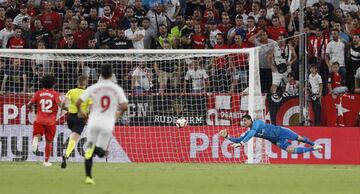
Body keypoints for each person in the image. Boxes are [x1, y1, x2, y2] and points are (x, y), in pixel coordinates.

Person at [76, 64, 128, 184]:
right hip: (107, 123)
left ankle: (88, 177)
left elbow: (79, 102)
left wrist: (82, 112)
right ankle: (96, 150)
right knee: (101, 152)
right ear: (111, 74)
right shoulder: (116, 89)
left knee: (90, 149)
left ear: (100, 74)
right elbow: (125, 106)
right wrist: (118, 115)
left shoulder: (94, 87)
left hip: (93, 121)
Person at [219, 115, 323, 154]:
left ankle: (314, 144)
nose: (244, 123)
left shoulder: (257, 123)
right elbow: (238, 140)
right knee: (291, 151)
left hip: (281, 131)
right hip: (275, 140)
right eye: (243, 121)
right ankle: (313, 149)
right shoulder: (249, 131)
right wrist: (227, 137)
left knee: (300, 138)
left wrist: (242, 143)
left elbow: (252, 133)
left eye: (245, 120)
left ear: (251, 120)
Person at [27, 75, 61, 167]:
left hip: (39, 119)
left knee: (37, 134)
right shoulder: (55, 94)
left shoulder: (38, 93)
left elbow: (29, 104)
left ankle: (35, 140)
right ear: (54, 84)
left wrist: (30, 109)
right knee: (48, 141)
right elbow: (60, 105)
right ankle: (46, 161)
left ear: (42, 84)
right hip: (51, 121)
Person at [60, 76, 92, 168]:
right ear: (85, 83)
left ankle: (67, 151)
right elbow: (90, 109)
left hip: (70, 118)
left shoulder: (71, 91)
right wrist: (87, 115)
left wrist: (64, 109)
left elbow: (63, 103)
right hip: (80, 118)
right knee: (74, 137)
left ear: (77, 82)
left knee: (73, 132)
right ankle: (66, 154)